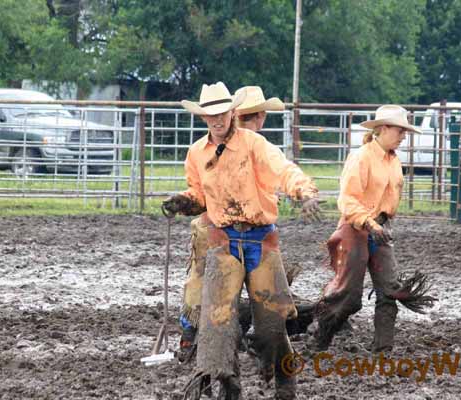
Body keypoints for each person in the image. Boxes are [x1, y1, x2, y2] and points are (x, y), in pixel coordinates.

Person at [163, 82, 320, 400]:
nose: (217, 120)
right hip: (222, 243)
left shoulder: (254, 145)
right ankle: (227, 385)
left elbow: (283, 170)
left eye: (222, 113)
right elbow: (200, 195)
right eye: (210, 115)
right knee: (217, 324)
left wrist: (303, 190)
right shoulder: (196, 153)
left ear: (232, 112)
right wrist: (184, 200)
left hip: (260, 242)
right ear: (204, 118)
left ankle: (285, 383)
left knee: (272, 327)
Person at [313, 105, 436, 352]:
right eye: (400, 131)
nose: (403, 136)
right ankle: (320, 337)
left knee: (390, 291)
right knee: (348, 297)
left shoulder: (394, 161)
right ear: (383, 129)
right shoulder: (361, 158)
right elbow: (348, 200)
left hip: (380, 229)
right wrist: (370, 224)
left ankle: (383, 350)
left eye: (405, 132)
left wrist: (382, 224)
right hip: (355, 228)